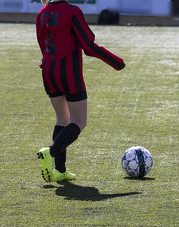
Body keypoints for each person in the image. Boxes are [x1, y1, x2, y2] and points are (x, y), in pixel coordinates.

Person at [35, 0, 125, 182]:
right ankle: (50, 152)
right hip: (68, 73)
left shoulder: (41, 13)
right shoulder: (72, 11)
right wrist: (116, 62)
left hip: (48, 71)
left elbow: (42, 45)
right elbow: (89, 46)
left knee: (62, 119)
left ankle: (60, 171)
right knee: (79, 121)